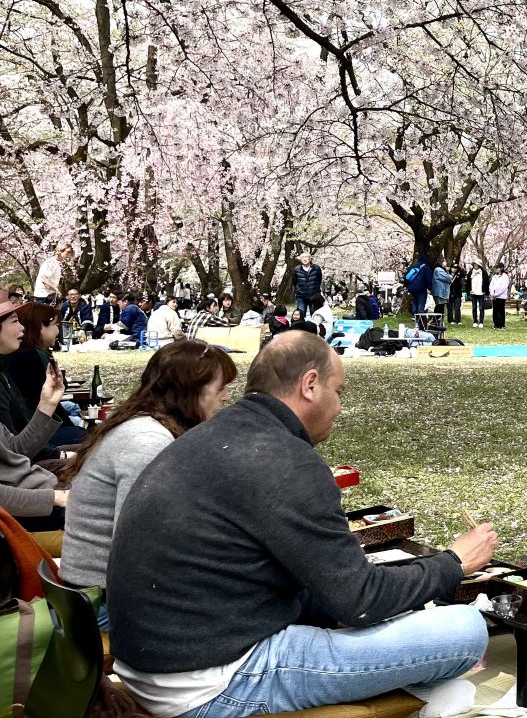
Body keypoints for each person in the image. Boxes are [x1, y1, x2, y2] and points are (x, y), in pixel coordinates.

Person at [106, 333, 495, 717]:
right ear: (310, 385)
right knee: (465, 630)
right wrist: (454, 563)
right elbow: (360, 601)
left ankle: (424, 690)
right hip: (213, 682)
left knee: (393, 621)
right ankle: (428, 697)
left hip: (155, 663)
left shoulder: (211, 436)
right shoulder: (284, 460)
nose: (340, 407)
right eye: (339, 391)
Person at [59, 340, 236, 628]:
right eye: (220, 388)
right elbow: (138, 550)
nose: (227, 397)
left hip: (101, 595)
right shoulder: (147, 441)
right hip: (105, 609)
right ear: (189, 392)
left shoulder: (147, 427)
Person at [0, 297, 69, 530]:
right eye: (14, 321)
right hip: (23, 513)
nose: (22, 328)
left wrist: (46, 405)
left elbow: (14, 453)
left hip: (38, 490)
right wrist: (57, 498)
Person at [2, 302, 88, 445]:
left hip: (27, 437)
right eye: (56, 325)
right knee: (82, 435)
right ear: (40, 327)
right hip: (29, 436)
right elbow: (15, 450)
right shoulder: (29, 356)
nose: (21, 327)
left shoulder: (15, 358)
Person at [292, 252, 323, 316]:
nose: (304, 259)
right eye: (302, 257)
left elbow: (319, 280)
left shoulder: (316, 268)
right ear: (300, 259)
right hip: (301, 296)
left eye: (306, 257)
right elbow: (294, 282)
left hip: (314, 295)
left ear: (310, 259)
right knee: (301, 314)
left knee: (315, 314)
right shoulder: (296, 269)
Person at [467, 262, 488, 328]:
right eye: (474, 264)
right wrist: (468, 291)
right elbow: (468, 281)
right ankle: (475, 321)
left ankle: (481, 321)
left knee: (481, 307)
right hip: (473, 292)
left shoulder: (483, 273)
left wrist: (486, 292)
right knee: (474, 307)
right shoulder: (471, 272)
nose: (475, 265)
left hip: (481, 292)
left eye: (476, 264)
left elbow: (486, 282)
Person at [490, 264, 510, 330]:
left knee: (500, 310)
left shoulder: (505, 277)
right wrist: (492, 293)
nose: (496, 269)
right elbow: (491, 285)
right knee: (495, 311)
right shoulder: (494, 276)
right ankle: (496, 324)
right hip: (494, 296)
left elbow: (503, 287)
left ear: (501, 268)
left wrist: (496, 293)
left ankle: (501, 325)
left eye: (497, 268)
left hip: (501, 296)